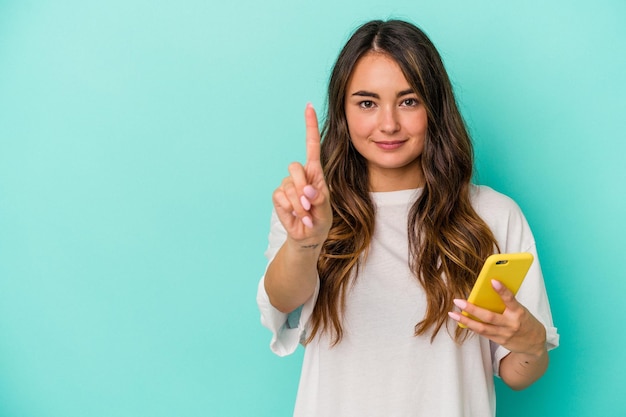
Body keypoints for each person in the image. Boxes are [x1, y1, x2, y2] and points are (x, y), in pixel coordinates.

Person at [257, 19, 559, 417]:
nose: (388, 124)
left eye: (409, 101)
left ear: (434, 107)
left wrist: (532, 342)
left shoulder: (493, 214)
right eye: (367, 103)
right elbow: (282, 301)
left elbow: (519, 373)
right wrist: (306, 242)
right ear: (343, 112)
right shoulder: (312, 211)